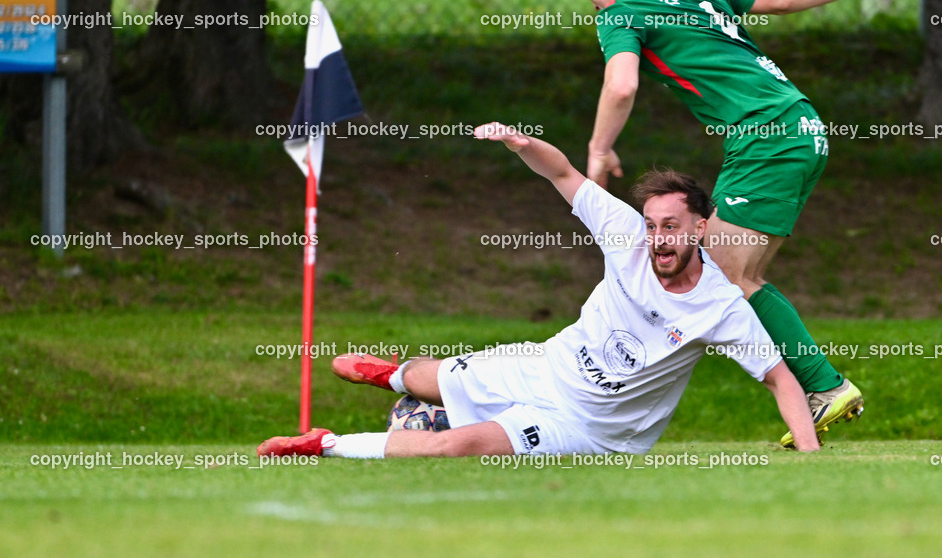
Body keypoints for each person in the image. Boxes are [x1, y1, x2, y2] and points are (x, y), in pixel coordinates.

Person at [257, 123, 819, 460]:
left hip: (586, 428)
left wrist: (811, 455)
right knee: (429, 380)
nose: (656, 238)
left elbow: (779, 379)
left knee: (455, 445)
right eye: (651, 225)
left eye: (670, 226)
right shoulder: (625, 235)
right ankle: (392, 376)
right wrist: (521, 142)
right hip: (545, 365)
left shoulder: (719, 307)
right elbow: (565, 175)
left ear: (699, 228)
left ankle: (320, 444)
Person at [557, 0, 897, 445]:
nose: (593, 4)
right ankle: (817, 388)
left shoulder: (620, 12)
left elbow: (621, 84)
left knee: (720, 271)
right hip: (801, 128)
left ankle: (823, 386)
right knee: (735, 272)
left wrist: (599, 149)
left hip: (766, 139)